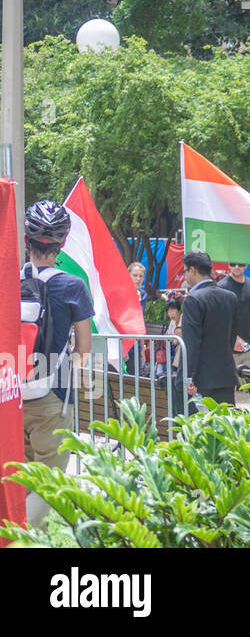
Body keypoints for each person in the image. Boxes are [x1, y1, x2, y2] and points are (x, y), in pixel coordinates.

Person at [19, 200, 95, 527]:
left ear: (26, 240)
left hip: (9, 396)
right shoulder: (73, 286)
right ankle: (17, 536)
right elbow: (83, 349)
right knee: (49, 483)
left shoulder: (9, 280)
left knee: (17, 477)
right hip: (52, 395)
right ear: (62, 243)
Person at [179, 251, 240, 407]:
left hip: (200, 379)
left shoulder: (192, 299)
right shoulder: (230, 297)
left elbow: (191, 343)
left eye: (185, 271)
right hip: (225, 374)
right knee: (225, 427)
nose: (185, 276)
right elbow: (231, 337)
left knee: (196, 428)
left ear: (192, 270)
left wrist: (187, 376)